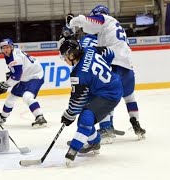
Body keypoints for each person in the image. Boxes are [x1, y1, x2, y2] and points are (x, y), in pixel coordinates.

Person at [68, 5, 146, 140]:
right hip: (128, 67)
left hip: (114, 64)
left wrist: (73, 22)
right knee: (130, 97)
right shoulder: (116, 27)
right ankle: (136, 124)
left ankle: (105, 129)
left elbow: (89, 22)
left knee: (104, 95)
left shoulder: (105, 20)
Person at [59, 39, 122, 166]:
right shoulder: (89, 50)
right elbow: (109, 53)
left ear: (71, 55)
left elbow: (77, 102)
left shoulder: (78, 74)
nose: (64, 59)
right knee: (85, 117)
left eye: (64, 56)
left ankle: (74, 149)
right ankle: (95, 142)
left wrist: (69, 115)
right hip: (107, 87)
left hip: (109, 94)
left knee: (85, 118)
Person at [0, 38, 47, 128]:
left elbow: (16, 76)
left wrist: (6, 85)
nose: (5, 50)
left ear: (11, 47)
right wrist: (8, 82)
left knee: (27, 96)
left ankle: (40, 117)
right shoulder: (10, 55)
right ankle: (2, 117)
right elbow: (17, 73)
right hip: (25, 76)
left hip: (35, 76)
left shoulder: (15, 57)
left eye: (7, 47)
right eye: (3, 48)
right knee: (11, 97)